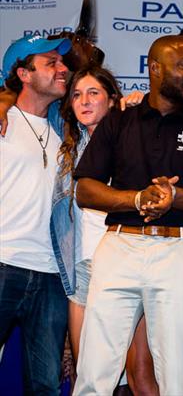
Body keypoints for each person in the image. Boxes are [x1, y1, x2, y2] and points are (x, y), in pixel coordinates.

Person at [72, 35, 183, 395]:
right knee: (95, 370)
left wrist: (174, 196)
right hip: (119, 246)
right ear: (155, 68)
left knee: (177, 373)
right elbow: (85, 189)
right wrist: (137, 198)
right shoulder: (119, 121)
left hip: (180, 251)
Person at [0, 34, 71, 394]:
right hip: (3, 260)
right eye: (51, 63)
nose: (63, 69)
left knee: (45, 384)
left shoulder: (66, 126)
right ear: (24, 74)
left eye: (62, 63)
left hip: (50, 274)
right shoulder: (3, 119)